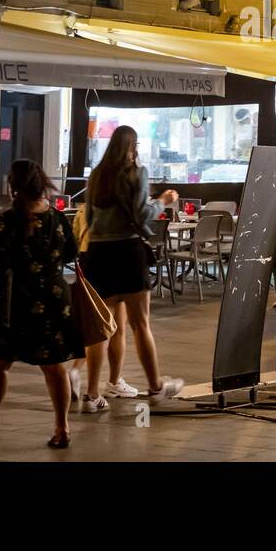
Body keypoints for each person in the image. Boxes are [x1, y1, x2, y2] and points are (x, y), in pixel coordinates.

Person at [0, 159, 82, 449]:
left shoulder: (7, 220)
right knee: (54, 367)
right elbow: (71, 253)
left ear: (13, 187)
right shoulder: (58, 218)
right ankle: (62, 428)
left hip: (15, 301)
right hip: (55, 298)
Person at [79, 125, 184, 413]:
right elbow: (142, 215)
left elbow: (88, 216)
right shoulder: (136, 173)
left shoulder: (97, 176)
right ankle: (155, 388)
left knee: (103, 328)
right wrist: (163, 200)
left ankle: (91, 394)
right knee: (140, 325)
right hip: (128, 252)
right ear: (132, 146)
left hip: (98, 254)